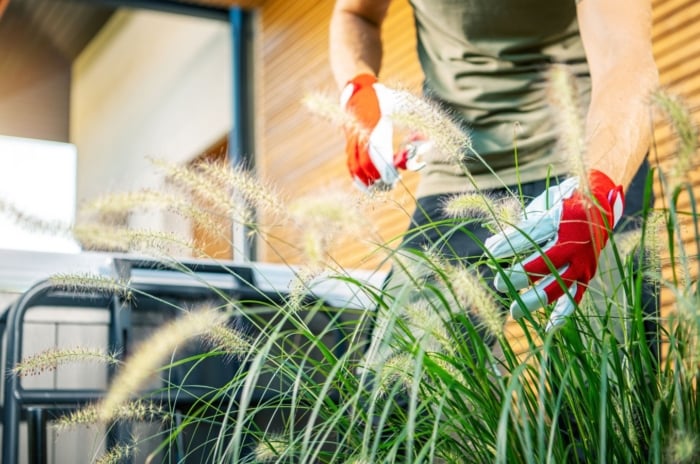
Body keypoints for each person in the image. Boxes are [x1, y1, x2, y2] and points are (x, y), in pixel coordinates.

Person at [330, 0, 659, 344]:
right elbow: (356, 13)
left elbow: (624, 57)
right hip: (458, 169)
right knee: (405, 378)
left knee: (613, 367)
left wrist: (598, 187)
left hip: (587, 153)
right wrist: (357, 90)